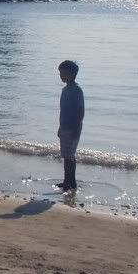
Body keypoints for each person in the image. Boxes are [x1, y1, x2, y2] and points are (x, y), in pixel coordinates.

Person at [56, 60, 85, 193]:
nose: (61, 76)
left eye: (63, 73)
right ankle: (69, 180)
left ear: (72, 74)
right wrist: (60, 127)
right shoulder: (65, 90)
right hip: (64, 126)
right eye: (60, 73)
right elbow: (62, 110)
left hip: (73, 127)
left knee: (69, 156)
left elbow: (80, 111)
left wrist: (76, 128)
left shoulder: (76, 90)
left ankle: (69, 182)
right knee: (67, 156)